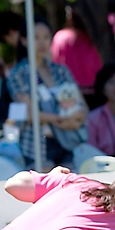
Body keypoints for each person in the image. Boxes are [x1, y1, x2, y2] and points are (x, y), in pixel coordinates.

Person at [8, 16, 88, 170]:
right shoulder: (18, 73)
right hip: (37, 145)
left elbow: (82, 107)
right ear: (24, 40)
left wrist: (75, 120)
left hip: (67, 141)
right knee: (44, 190)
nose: (41, 42)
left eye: (45, 37)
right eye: (36, 37)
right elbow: (30, 114)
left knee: (69, 187)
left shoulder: (61, 70)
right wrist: (61, 119)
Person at [51, 7, 103, 109]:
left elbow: (54, 64)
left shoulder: (60, 37)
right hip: (94, 95)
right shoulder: (94, 39)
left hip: (69, 97)